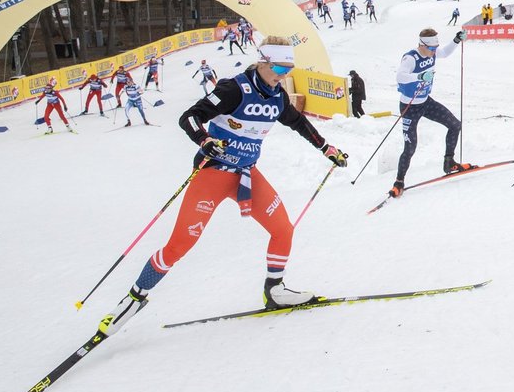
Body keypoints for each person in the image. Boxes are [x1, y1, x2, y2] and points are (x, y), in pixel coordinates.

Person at [98, 38, 349, 337]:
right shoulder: (234, 89)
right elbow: (189, 117)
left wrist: (326, 148)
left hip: (245, 174)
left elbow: (298, 123)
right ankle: (133, 299)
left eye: (288, 67)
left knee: (283, 228)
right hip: (213, 175)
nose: (283, 73)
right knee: (180, 244)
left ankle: (275, 289)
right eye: (279, 67)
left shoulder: (278, 97)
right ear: (262, 61)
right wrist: (205, 141)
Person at [387, 28, 473, 198]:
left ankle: (449, 162)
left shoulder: (432, 53)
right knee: (410, 147)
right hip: (409, 107)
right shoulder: (410, 58)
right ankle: (399, 182)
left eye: (435, 49)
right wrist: (420, 77)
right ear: (422, 44)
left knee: (455, 125)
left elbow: (445, 53)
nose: (434, 52)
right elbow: (400, 77)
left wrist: (456, 40)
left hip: (426, 102)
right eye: (431, 49)